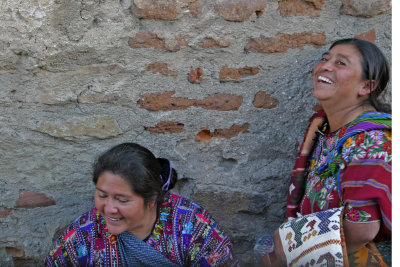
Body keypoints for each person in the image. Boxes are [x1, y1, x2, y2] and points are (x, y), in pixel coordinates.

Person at [254, 38, 391, 267]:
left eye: (341, 63)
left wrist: (283, 255)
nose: (325, 66)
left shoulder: (371, 142)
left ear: (366, 87)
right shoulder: (326, 129)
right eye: (325, 59)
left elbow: (361, 230)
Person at [45, 142, 239, 266]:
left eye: (122, 200)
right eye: (102, 195)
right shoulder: (81, 237)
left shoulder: (192, 226)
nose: (109, 208)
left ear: (151, 199)